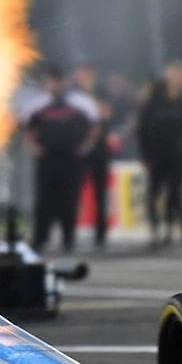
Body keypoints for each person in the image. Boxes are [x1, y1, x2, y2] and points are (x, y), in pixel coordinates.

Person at [22, 65, 98, 253]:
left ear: (65, 81)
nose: (55, 84)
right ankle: (40, 239)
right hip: (48, 159)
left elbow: (94, 126)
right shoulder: (38, 104)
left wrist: (86, 146)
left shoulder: (80, 102)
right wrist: (34, 148)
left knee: (69, 200)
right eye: (52, 81)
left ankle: (68, 239)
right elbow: (26, 127)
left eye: (58, 80)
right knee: (44, 200)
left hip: (71, 158)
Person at [138, 63, 182, 246]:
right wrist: (145, 155)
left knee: (175, 194)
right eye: (171, 76)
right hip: (157, 154)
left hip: (177, 155)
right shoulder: (154, 101)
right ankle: (155, 231)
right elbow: (143, 129)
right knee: (153, 193)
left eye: (177, 76)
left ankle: (172, 230)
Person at [73, 64, 112, 248]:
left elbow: (106, 113)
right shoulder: (73, 94)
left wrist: (92, 106)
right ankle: (70, 231)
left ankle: (101, 233)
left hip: (99, 150)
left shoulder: (102, 91)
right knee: (73, 191)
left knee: (100, 194)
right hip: (79, 149)